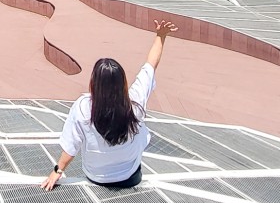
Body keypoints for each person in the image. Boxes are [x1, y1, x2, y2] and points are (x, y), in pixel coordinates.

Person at [42, 20, 178, 191]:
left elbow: (72, 145)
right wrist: (161, 36)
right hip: (130, 177)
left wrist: (57, 171)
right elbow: (150, 66)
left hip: (95, 176)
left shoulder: (84, 107)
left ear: (94, 83)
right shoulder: (134, 103)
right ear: (123, 83)